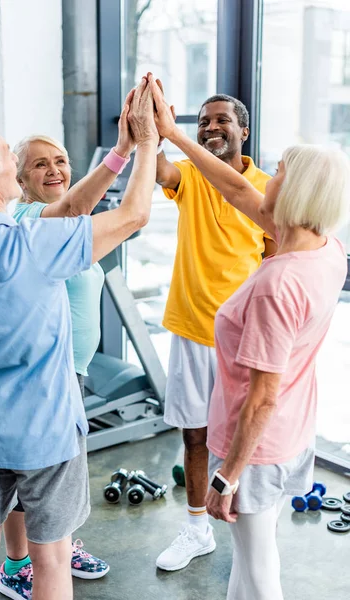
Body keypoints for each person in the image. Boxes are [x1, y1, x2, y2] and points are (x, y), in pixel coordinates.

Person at [0, 76, 159, 600]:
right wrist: (148, 142)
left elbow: (71, 210)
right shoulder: (35, 243)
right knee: (52, 556)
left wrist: (119, 152)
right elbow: (134, 214)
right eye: (6, 153)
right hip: (44, 434)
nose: (19, 162)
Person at [150, 75, 350, 598]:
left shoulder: (278, 281)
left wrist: (227, 475)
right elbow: (235, 186)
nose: (270, 177)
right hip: (287, 433)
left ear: (297, 188)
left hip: (257, 447)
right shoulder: (325, 246)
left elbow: (261, 396)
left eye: (280, 171)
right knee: (249, 561)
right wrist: (167, 132)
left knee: (261, 572)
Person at [0, 108, 136, 599]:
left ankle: (56, 547)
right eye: (40, 164)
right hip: (46, 374)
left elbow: (90, 219)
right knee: (31, 477)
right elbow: (77, 211)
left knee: (52, 478)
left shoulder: (58, 221)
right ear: (18, 177)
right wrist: (124, 154)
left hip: (66, 370)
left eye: (60, 160)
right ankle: (19, 566)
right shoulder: (30, 218)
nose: (54, 169)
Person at [155, 88, 276, 570]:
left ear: (243, 131)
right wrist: (151, 126)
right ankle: (196, 529)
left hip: (243, 339)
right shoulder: (190, 174)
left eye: (221, 120)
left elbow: (274, 258)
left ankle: (252, 527)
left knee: (249, 436)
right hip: (191, 328)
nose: (210, 128)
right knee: (196, 437)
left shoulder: (267, 189)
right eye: (203, 121)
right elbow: (162, 169)